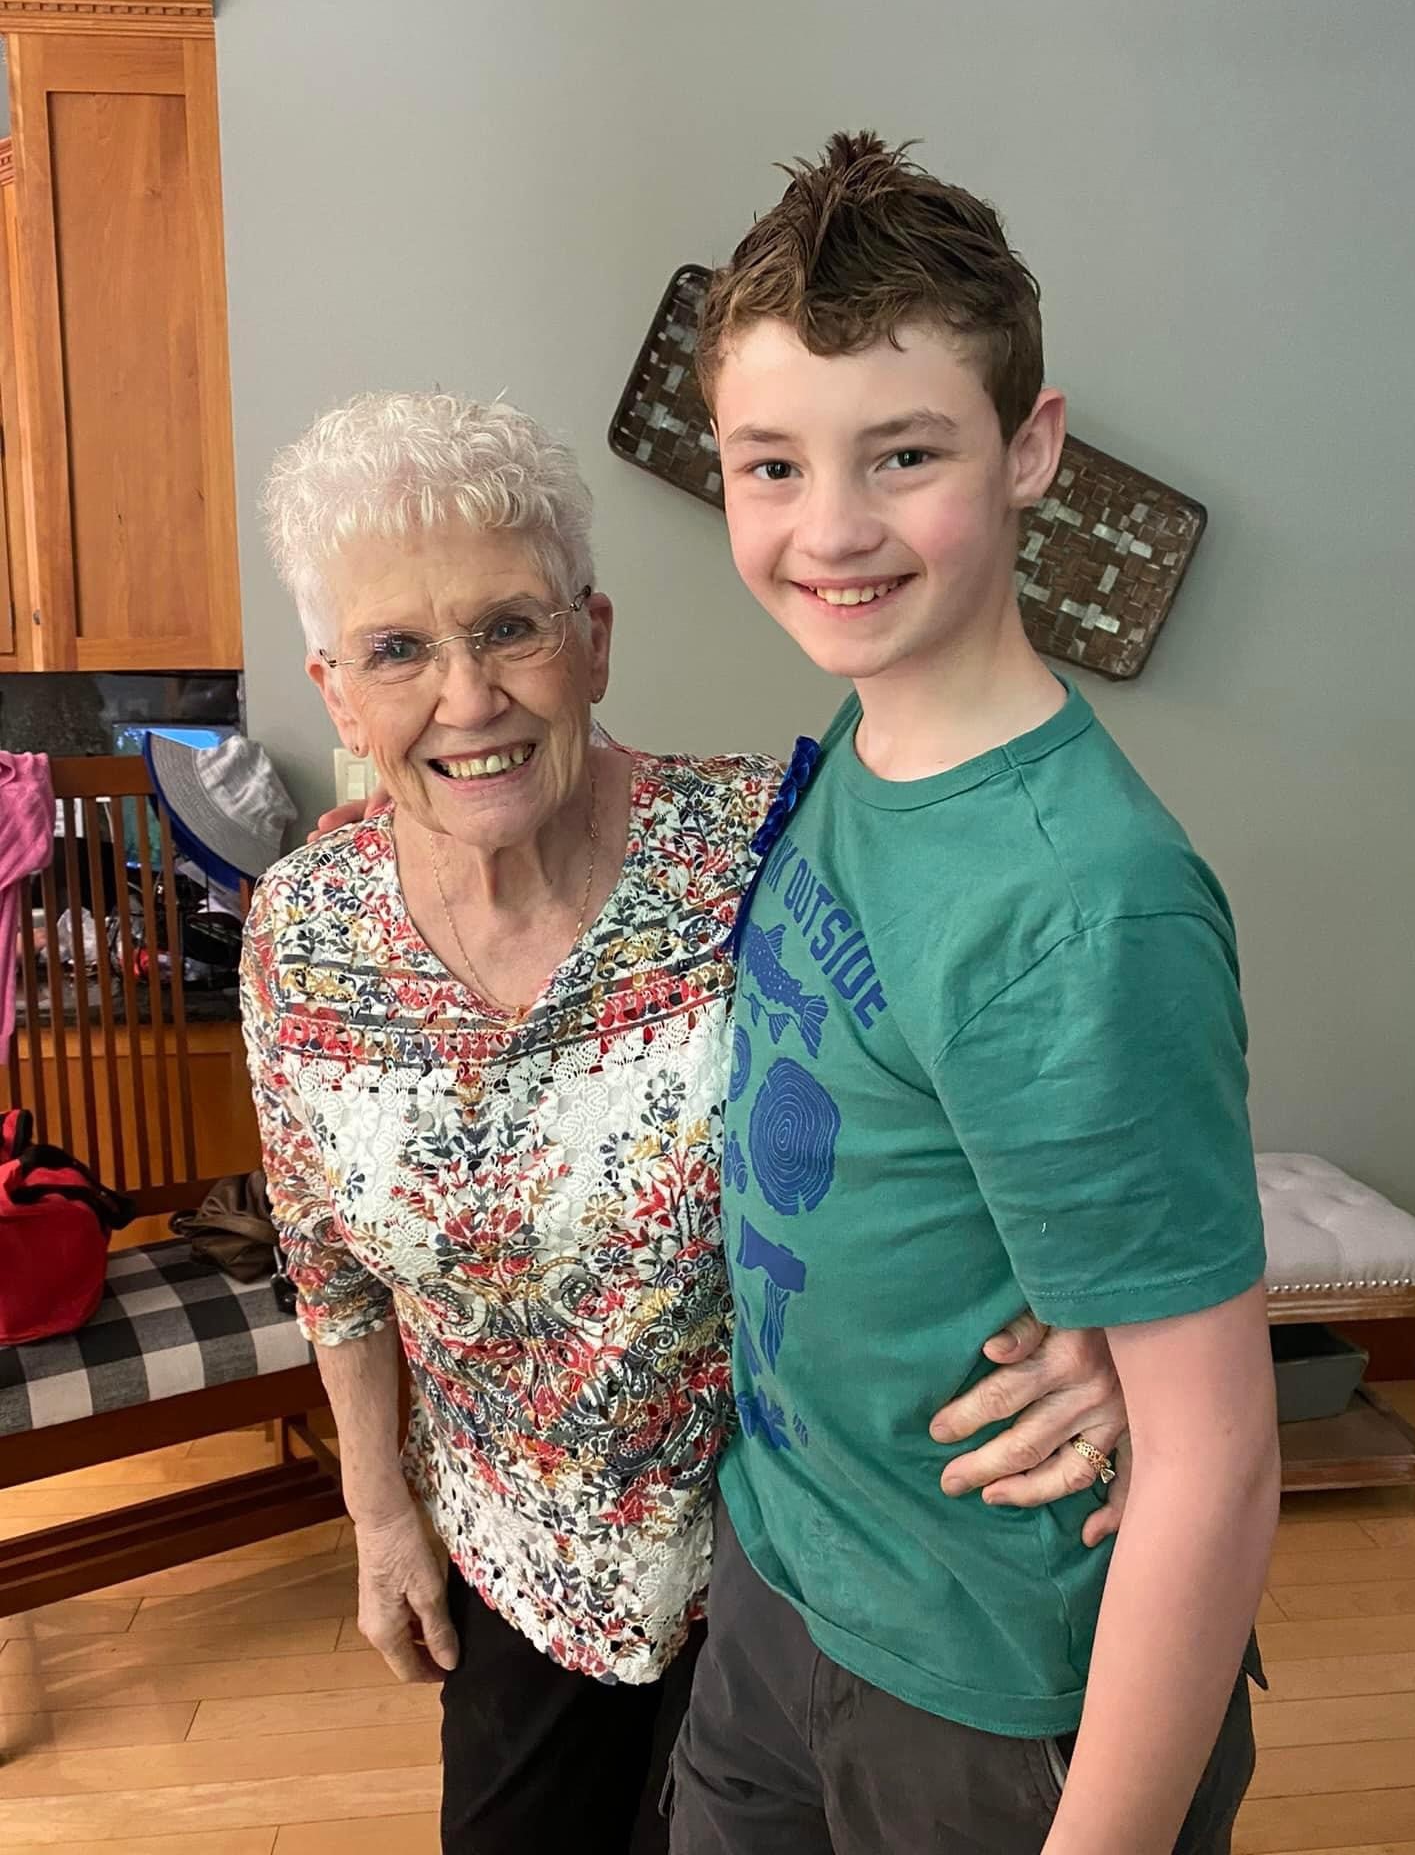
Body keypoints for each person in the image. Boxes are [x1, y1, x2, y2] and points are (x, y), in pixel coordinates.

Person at [241, 391, 1134, 1855]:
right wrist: (379, 1514)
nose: (467, 698)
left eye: (511, 628)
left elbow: (1039, 1041)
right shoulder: (303, 931)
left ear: (593, 639)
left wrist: (1107, 1323)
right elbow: (323, 1254)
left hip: (788, 1560)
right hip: (517, 1562)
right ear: (337, 692)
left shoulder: (771, 845)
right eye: (397, 651)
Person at [665, 134, 1281, 1855]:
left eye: (905, 454)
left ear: (1031, 448)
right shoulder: (869, 742)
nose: (831, 530)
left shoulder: (1082, 900)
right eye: (772, 464)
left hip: (992, 1685)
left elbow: (1218, 1462)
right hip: (789, 1572)